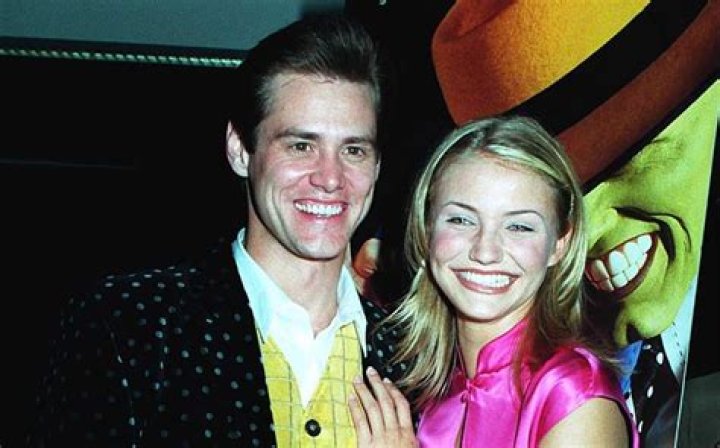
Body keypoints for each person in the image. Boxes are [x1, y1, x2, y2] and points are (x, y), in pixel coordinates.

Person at [28, 14, 407, 447]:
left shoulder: (412, 357)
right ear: (240, 150)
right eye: (301, 146)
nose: (330, 178)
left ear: (377, 166)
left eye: (354, 150)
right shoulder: (131, 325)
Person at [351, 115, 640, 447]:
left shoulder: (575, 396)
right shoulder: (432, 392)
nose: (485, 252)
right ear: (426, 229)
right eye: (461, 220)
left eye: (519, 227)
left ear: (559, 243)